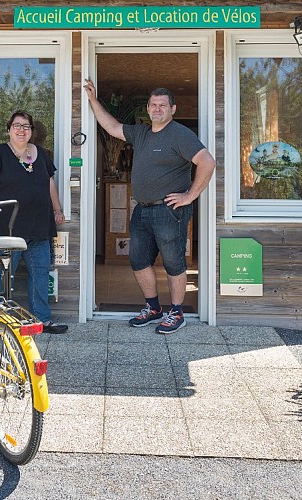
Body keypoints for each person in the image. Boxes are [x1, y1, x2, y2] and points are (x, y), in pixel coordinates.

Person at [84, 78, 216, 334]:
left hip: (168, 210)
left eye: (163, 105)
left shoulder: (180, 134)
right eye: (153, 105)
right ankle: (153, 308)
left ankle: (176, 312)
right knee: (138, 259)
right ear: (147, 109)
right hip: (142, 208)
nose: (157, 109)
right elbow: (111, 126)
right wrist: (92, 100)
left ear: (173, 109)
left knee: (173, 261)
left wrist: (189, 196)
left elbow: (207, 162)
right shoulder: (141, 133)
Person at [0, 110, 68, 334]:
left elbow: (49, 184)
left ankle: (41, 320)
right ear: (8, 129)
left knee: (40, 273)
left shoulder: (42, 155)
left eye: (26, 126)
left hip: (38, 226)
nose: (21, 130)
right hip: (6, 228)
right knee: (1, 276)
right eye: (17, 125)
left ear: (31, 131)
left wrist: (57, 209)